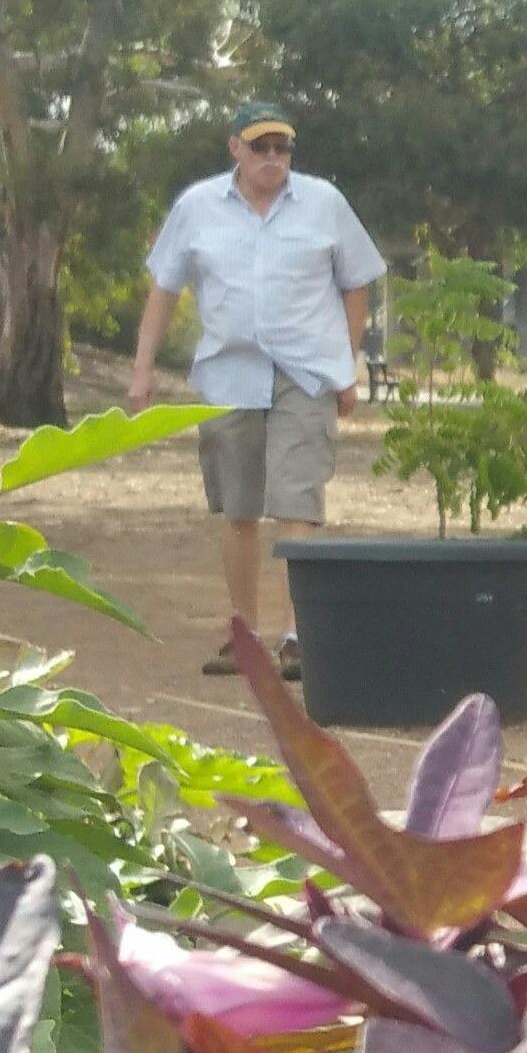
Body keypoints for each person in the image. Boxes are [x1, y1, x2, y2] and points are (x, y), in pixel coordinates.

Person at [128, 101, 385, 678]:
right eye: (261, 147)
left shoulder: (324, 202)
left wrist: (345, 367)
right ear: (235, 149)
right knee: (238, 505)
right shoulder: (197, 207)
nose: (274, 159)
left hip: (306, 368)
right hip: (228, 371)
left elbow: (357, 284)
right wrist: (142, 368)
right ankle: (243, 636)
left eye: (283, 148)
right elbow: (164, 288)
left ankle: (301, 636)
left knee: (298, 498)